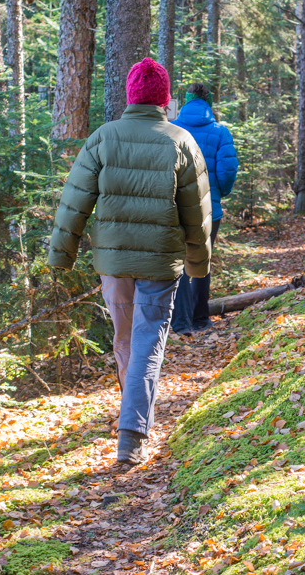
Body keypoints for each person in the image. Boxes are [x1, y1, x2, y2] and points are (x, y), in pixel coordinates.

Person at [47, 58, 212, 466]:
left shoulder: (104, 137)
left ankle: (130, 420)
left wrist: (61, 254)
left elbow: (74, 201)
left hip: (114, 261)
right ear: (164, 99)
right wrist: (198, 263)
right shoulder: (180, 141)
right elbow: (197, 212)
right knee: (147, 345)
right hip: (160, 261)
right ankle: (133, 431)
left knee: (125, 341)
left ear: (130, 96)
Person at [170, 83, 239, 334]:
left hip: (176, 206)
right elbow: (228, 170)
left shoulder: (173, 128)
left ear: (186, 100)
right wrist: (219, 193)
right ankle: (200, 319)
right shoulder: (220, 132)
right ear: (209, 101)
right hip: (209, 208)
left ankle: (180, 323)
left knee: (178, 262)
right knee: (201, 261)